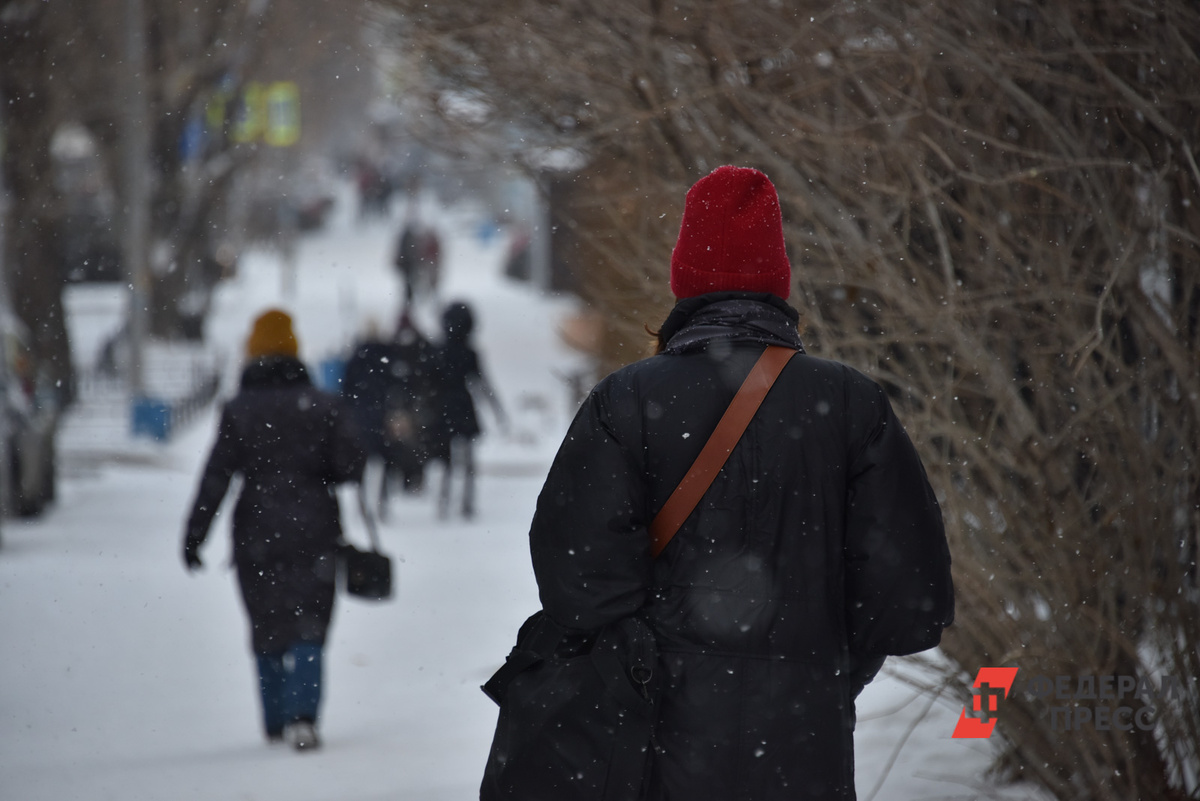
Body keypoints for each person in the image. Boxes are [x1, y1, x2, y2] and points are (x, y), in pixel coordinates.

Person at [523, 166, 954, 799]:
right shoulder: (850, 403)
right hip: (804, 742)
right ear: (778, 280)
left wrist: (650, 658)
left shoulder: (626, 400)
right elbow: (908, 599)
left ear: (684, 279)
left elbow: (577, 578)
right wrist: (826, 668)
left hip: (656, 743)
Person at [182, 309, 365, 752]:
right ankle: (304, 717)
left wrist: (195, 534)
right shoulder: (322, 406)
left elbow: (216, 476)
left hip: (256, 532)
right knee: (310, 625)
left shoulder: (239, 410)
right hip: (315, 528)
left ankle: (274, 719)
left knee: (266, 625)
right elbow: (351, 466)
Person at [429, 300, 505, 519]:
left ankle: (444, 500)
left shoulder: (438, 350)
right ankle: (466, 503)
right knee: (468, 460)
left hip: (442, 407)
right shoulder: (469, 352)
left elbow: (427, 382)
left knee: (446, 459)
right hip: (463, 406)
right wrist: (497, 409)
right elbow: (482, 383)